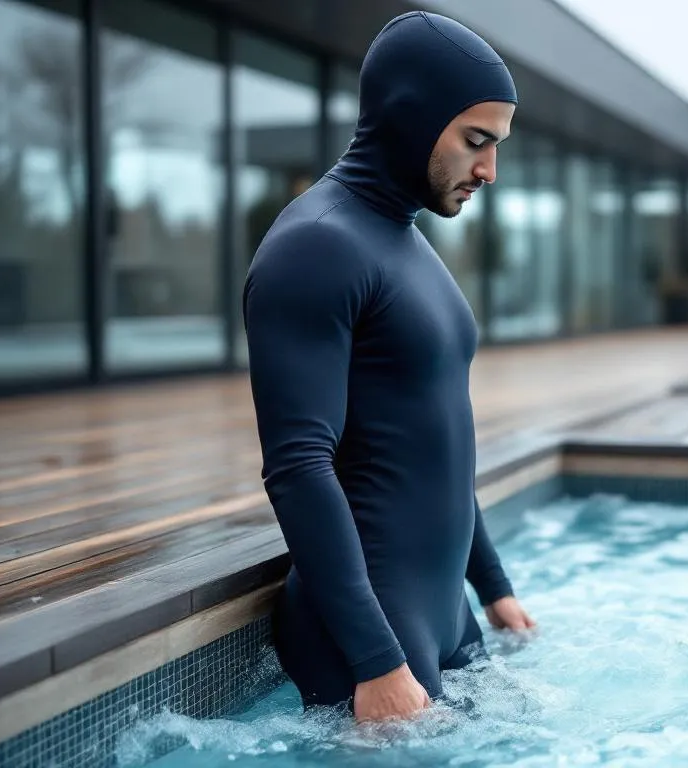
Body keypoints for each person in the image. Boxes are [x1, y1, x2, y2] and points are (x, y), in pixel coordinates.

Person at [241, 11, 536, 723]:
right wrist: (376, 660)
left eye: (496, 146)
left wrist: (491, 588)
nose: (489, 171)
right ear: (412, 116)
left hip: (442, 618)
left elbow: (434, 433)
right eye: (476, 142)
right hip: (369, 636)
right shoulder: (317, 245)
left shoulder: (404, 241)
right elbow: (298, 463)